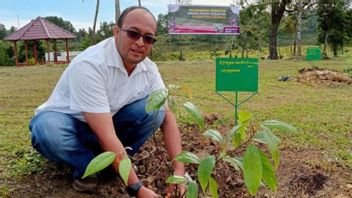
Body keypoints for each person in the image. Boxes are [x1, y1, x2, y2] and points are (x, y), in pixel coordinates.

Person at [29, 6, 185, 198]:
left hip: (108, 125)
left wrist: (179, 172)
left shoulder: (148, 69)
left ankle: (112, 164)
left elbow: (168, 117)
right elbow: (106, 135)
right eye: (133, 33)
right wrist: (136, 188)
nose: (139, 43)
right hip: (72, 126)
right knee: (47, 130)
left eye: (148, 38)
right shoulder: (91, 64)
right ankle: (88, 167)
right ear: (116, 31)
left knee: (156, 110)